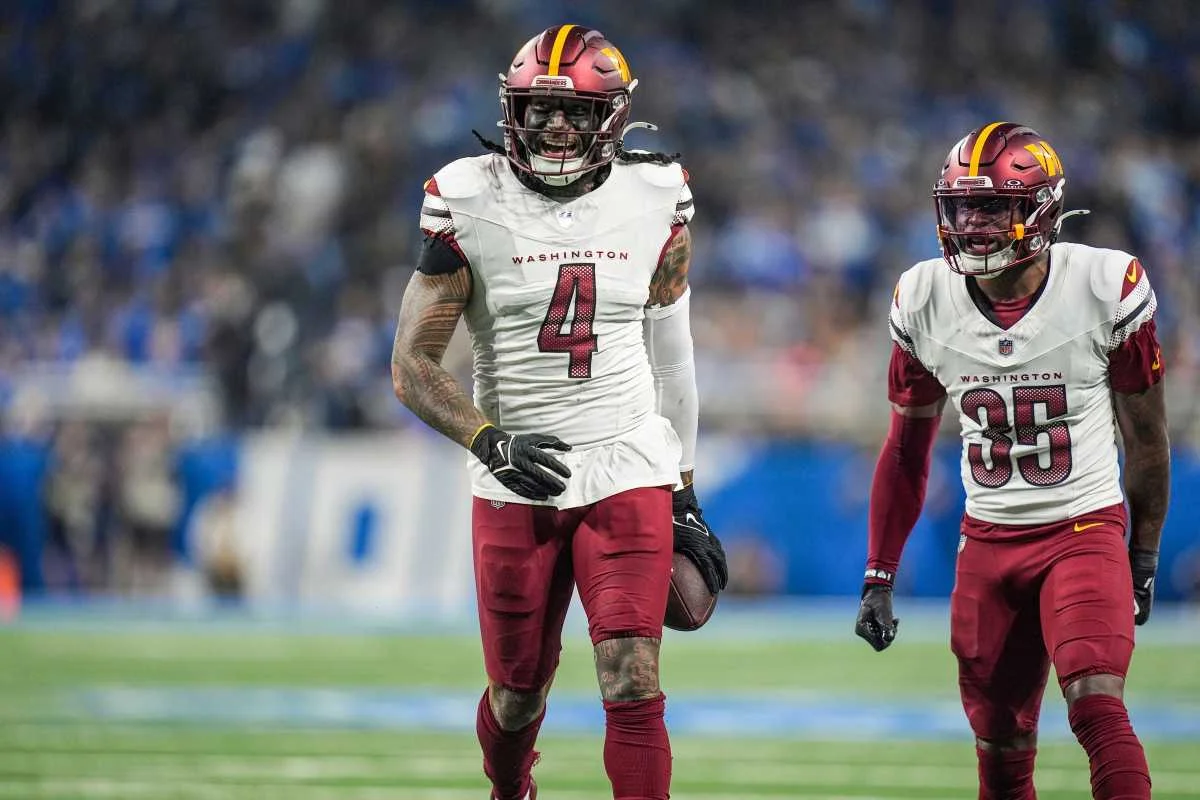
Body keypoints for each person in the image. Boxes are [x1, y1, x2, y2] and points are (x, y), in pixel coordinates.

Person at [390, 24, 728, 800]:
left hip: (626, 462)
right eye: (538, 108)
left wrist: (682, 488)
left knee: (632, 677)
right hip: (518, 475)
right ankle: (511, 788)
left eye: (574, 111)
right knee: (517, 694)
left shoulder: (654, 196)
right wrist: (489, 441)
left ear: (612, 117)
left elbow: (672, 354)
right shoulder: (468, 201)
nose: (553, 126)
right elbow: (411, 366)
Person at [854, 122, 1170, 800]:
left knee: (1095, 702)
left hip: (1081, 529)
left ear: (1041, 208)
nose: (973, 223)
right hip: (988, 541)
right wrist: (879, 570)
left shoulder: (1103, 284)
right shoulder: (923, 297)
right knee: (999, 745)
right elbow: (906, 451)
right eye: (962, 206)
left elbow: (1146, 438)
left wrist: (1141, 555)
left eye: (993, 206)